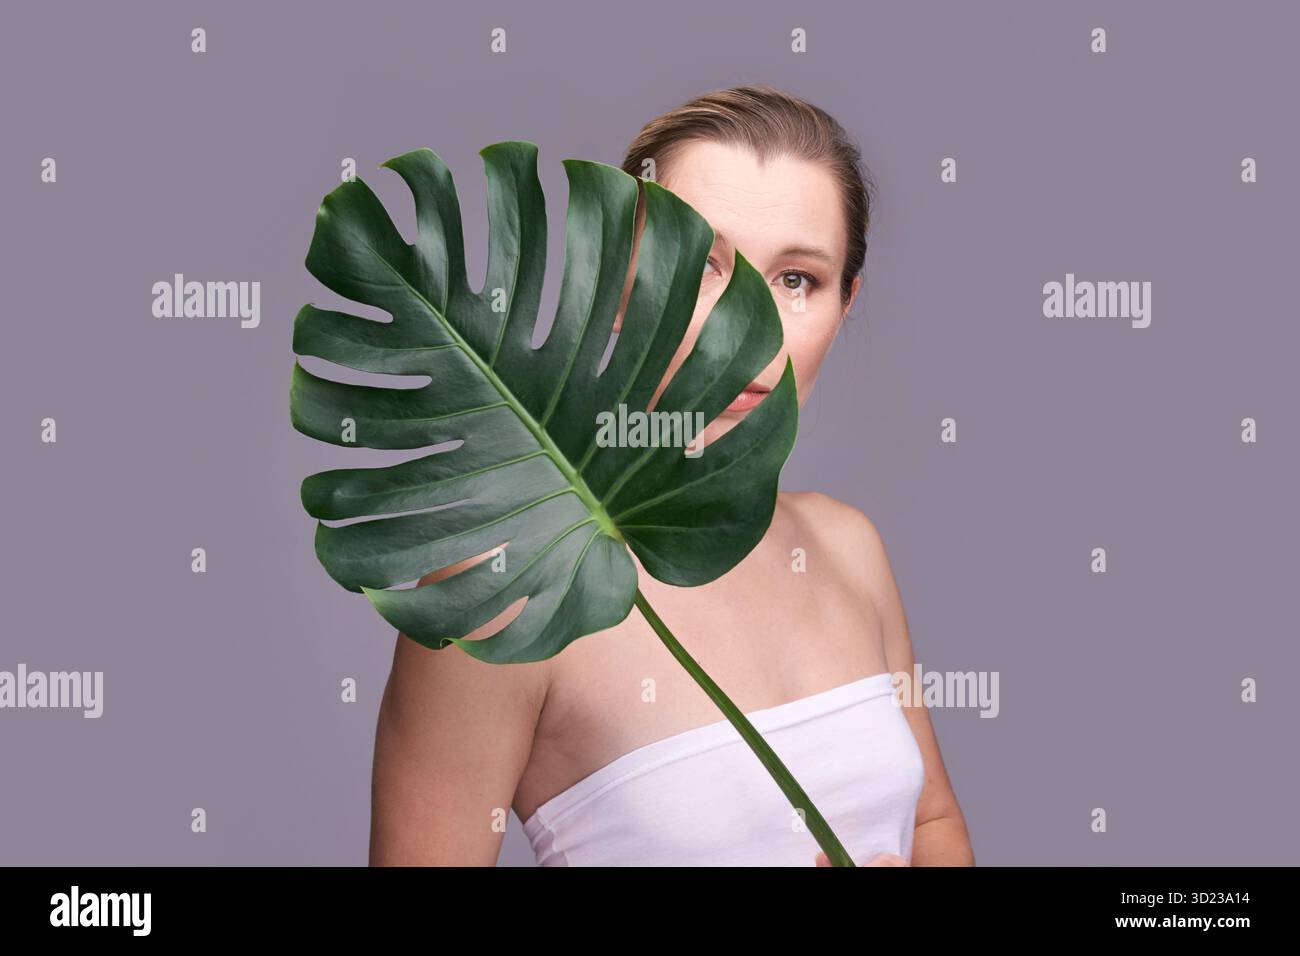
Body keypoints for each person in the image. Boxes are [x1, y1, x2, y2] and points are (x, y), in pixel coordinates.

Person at [370, 84, 974, 867]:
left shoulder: (847, 545)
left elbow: (931, 824)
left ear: (845, 303)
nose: (746, 321)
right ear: (619, 287)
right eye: (700, 267)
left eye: (797, 279)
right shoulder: (501, 587)